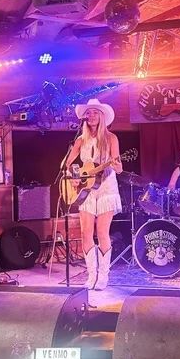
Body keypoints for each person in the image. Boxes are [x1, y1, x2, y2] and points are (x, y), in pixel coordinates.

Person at [64, 98, 122, 290]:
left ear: (102, 116)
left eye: (95, 112)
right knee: (85, 232)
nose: (91, 116)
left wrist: (116, 165)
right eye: (88, 113)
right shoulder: (80, 140)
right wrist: (74, 177)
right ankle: (91, 275)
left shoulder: (111, 138)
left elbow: (119, 168)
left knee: (102, 232)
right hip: (86, 190)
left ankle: (103, 276)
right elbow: (68, 163)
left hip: (106, 188)